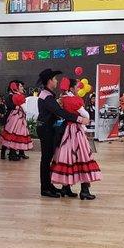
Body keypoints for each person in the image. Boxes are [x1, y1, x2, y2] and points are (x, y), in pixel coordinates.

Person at [36, 69, 90, 198]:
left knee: (48, 158)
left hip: (48, 128)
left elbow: (56, 110)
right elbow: (60, 112)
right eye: (54, 79)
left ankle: (49, 186)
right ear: (49, 81)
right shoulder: (46, 96)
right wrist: (79, 119)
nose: (56, 81)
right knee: (46, 159)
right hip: (46, 129)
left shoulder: (48, 94)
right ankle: (45, 188)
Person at [51, 78, 101, 200]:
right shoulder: (73, 100)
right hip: (75, 131)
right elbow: (86, 115)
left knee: (67, 158)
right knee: (82, 157)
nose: (79, 89)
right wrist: (83, 119)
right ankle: (84, 190)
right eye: (77, 87)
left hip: (66, 130)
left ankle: (65, 188)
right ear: (72, 88)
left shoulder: (62, 99)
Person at [0, 81, 33, 161]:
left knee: (19, 134)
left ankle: (20, 153)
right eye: (20, 86)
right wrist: (17, 107)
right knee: (11, 135)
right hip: (13, 117)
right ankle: (8, 153)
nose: (22, 88)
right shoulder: (10, 96)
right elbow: (10, 106)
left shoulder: (18, 95)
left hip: (18, 117)